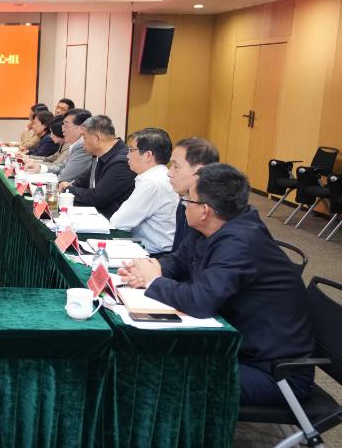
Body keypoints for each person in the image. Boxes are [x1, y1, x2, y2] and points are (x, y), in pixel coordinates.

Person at [118, 164, 314, 405]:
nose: (183, 204)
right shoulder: (212, 226)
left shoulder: (240, 242)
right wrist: (150, 269)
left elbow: (201, 302)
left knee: (163, 379)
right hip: (237, 347)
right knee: (151, 361)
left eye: (187, 199)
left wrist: (152, 280)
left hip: (273, 371)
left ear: (205, 211)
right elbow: (178, 261)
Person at [109, 128, 179, 255]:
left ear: (148, 155)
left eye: (131, 150)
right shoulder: (159, 175)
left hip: (155, 255)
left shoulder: (152, 182)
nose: (127, 155)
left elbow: (119, 222)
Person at [60, 115, 135, 218]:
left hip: (111, 220)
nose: (82, 143)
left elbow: (97, 197)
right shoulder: (99, 154)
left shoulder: (122, 161)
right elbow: (82, 182)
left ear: (98, 138)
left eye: (84, 137)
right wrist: (69, 186)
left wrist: (67, 189)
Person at [167, 137, 219, 251]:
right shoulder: (185, 199)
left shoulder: (209, 211)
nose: (169, 173)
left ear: (200, 171)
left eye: (176, 166)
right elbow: (180, 254)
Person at [26, 108, 92, 183]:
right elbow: (61, 167)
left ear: (81, 128)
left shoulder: (82, 147)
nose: (62, 129)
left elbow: (64, 176)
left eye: (66, 125)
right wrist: (40, 167)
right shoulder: (74, 145)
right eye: (63, 125)